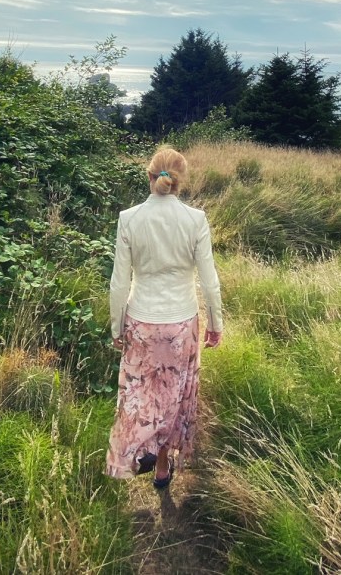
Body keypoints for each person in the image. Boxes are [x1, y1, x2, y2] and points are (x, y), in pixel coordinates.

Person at [105, 146, 223, 489]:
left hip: (141, 322)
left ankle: (138, 449)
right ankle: (161, 467)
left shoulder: (129, 218)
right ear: (180, 181)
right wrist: (216, 324)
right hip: (181, 323)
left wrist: (117, 325)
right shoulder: (195, 219)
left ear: (149, 176)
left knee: (140, 393)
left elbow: (118, 283)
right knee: (175, 395)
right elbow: (210, 280)